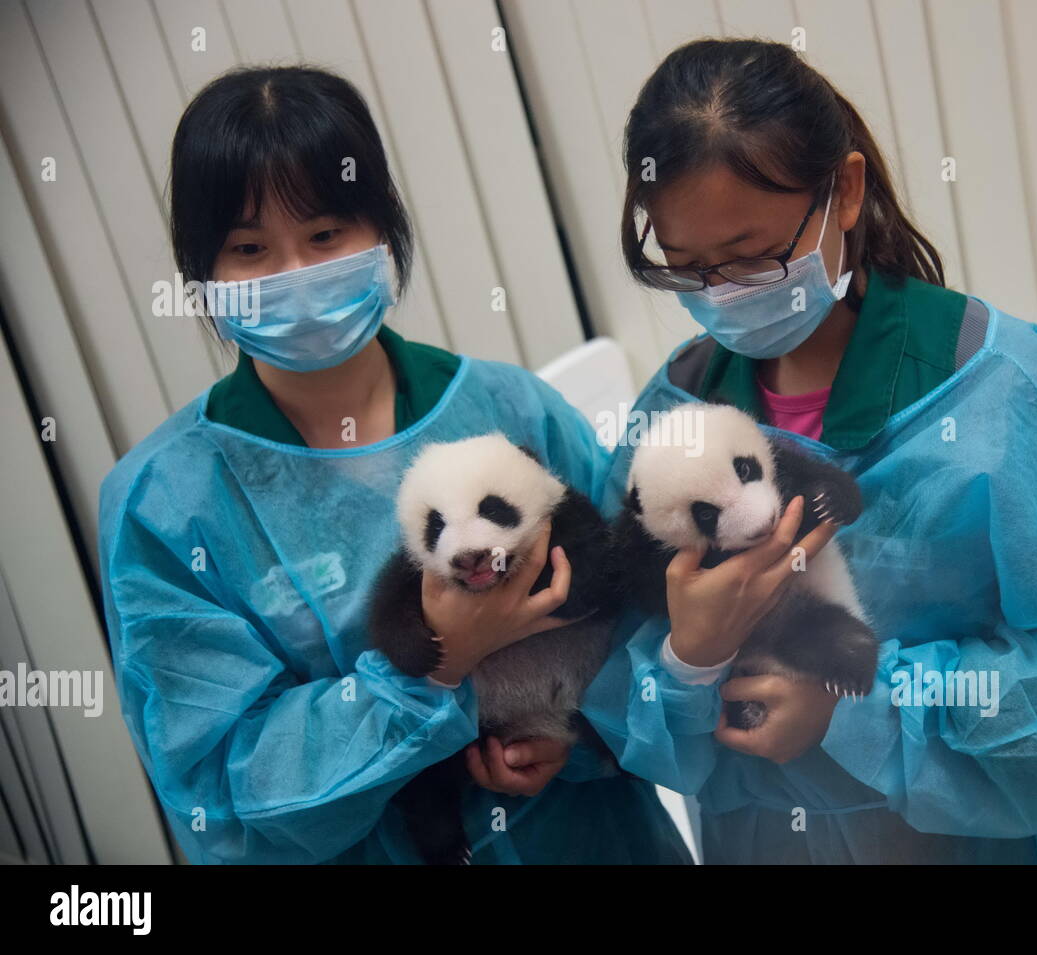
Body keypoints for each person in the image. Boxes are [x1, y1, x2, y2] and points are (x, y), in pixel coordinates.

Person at [582, 38, 1037, 864]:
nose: (723, 295)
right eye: (689, 270)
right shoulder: (678, 411)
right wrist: (689, 660)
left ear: (847, 190)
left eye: (754, 258)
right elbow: (617, 661)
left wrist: (854, 707)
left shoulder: (1004, 390)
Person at [98, 64, 689, 864]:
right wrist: (440, 667)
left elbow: (646, 636)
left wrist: (577, 737)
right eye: (249, 248)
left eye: (325, 235)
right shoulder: (167, 503)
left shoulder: (513, 411)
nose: (295, 275)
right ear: (202, 272)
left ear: (382, 229)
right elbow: (227, 795)